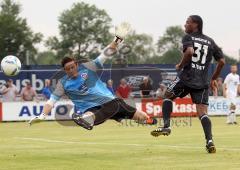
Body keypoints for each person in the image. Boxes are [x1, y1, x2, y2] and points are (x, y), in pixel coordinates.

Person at [29, 25, 157, 130]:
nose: (71, 70)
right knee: (90, 114)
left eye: (73, 67)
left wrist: (117, 40)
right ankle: (86, 120)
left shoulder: (88, 68)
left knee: (141, 116)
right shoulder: (63, 83)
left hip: (110, 101)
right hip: (91, 109)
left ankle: (150, 121)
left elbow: (106, 54)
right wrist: (43, 115)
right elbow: (51, 101)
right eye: (68, 69)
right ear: (64, 70)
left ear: (77, 65)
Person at [150, 15, 225, 153]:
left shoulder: (188, 37)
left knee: (167, 96)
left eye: (187, 22)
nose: (185, 25)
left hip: (186, 78)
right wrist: (214, 78)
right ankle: (209, 141)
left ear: (195, 24)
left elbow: (190, 52)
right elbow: (222, 62)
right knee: (202, 113)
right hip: (202, 81)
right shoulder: (210, 41)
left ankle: (166, 126)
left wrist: (180, 64)